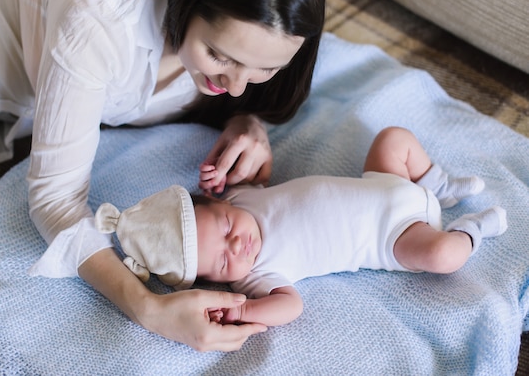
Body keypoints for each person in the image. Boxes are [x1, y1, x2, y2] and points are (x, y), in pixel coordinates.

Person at [0, 0, 325, 350]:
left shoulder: (266, 29)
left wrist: (246, 121)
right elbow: (54, 199)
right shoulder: (98, 15)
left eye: (264, 70)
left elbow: (243, 84)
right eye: (218, 57)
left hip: (17, 84)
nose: (236, 86)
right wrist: (148, 308)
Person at [94, 127, 508, 327]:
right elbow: (292, 305)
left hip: (383, 180)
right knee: (443, 256)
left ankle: (437, 182)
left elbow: (259, 171)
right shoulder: (256, 277)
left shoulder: (241, 197)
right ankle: (473, 229)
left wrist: (228, 174)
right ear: (216, 280)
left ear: (220, 203)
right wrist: (247, 311)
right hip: (398, 235)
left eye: (224, 227)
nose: (236, 244)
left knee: (392, 138)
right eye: (222, 260)